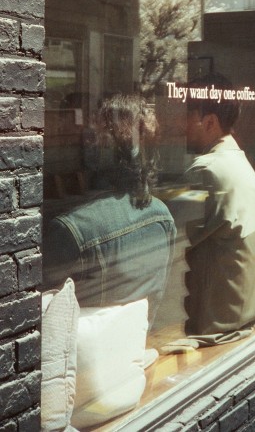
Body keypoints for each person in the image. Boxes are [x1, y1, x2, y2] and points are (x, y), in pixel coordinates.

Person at [43, 94, 176, 329]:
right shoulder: (162, 216)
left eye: (93, 133)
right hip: (135, 349)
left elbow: (36, 315)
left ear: (105, 143)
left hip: (85, 361)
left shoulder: (72, 230)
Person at [182, 73, 255, 345]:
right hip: (240, 320)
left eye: (185, 115)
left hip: (210, 330)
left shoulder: (207, 170)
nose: (178, 125)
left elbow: (166, 245)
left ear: (209, 122)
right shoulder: (238, 162)